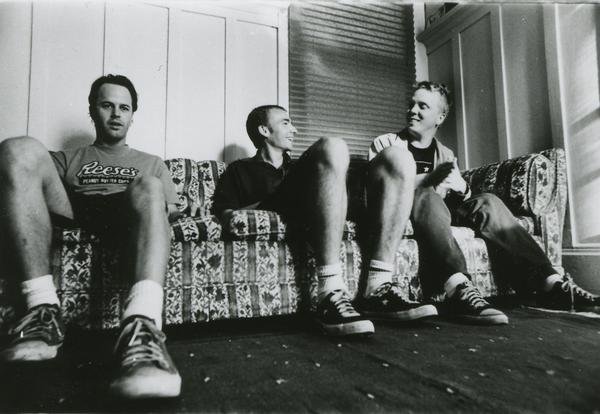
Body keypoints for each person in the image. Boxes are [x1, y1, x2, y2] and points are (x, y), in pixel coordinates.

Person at [0, 74, 182, 399]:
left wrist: (183, 208)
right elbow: (28, 190)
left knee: (150, 185)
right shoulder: (67, 159)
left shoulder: (152, 163)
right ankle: (43, 310)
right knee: (18, 149)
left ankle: (142, 325)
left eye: (124, 108)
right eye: (107, 105)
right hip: (74, 206)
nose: (116, 114)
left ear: (132, 114)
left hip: (127, 208)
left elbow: (167, 210)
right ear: (92, 110)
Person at [368, 81, 599, 325]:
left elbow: (458, 199)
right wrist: (431, 181)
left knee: (487, 201)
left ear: (440, 117)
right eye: (411, 104)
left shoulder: (445, 154)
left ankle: (551, 282)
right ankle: (458, 287)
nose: (412, 111)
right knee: (427, 195)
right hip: (405, 212)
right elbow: (380, 191)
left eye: (422, 106)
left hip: (440, 211)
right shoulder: (386, 144)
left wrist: (462, 187)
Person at [213, 105, 436, 337]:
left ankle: (379, 287)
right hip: (279, 203)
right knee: (333, 145)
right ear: (264, 130)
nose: (294, 130)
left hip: (312, 201)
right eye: (286, 123)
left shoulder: (299, 167)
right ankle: (330, 292)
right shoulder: (240, 169)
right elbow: (225, 212)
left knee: (398, 157)